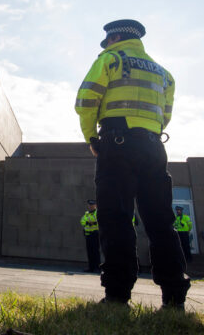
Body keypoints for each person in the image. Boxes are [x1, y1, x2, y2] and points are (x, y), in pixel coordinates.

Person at [75, 19, 190, 309]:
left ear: (114, 37)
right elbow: (165, 113)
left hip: (117, 143)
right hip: (153, 146)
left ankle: (117, 295)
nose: (107, 45)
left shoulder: (110, 59)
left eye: (108, 40)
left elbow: (86, 100)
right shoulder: (164, 73)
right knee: (161, 221)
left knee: (116, 217)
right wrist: (147, 131)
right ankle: (174, 296)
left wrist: (92, 137)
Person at [80, 199, 100, 273]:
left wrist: (91, 222)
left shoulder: (97, 213)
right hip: (88, 235)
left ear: (95, 206)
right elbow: (82, 221)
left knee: (96, 252)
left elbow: (97, 221)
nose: (91, 206)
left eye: (92, 205)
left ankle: (97, 267)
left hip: (95, 234)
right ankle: (91, 267)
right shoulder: (87, 213)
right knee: (90, 252)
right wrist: (88, 222)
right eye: (90, 205)